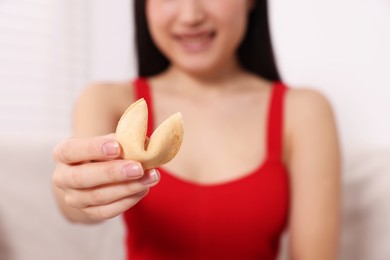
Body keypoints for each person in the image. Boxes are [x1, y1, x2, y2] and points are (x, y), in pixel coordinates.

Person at [52, 0, 341, 259]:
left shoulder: (304, 111)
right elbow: (75, 207)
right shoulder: (107, 101)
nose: (191, 15)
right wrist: (73, 188)